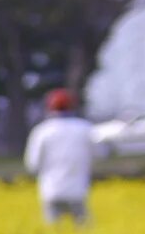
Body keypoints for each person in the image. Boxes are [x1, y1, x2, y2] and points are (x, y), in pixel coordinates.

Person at [26, 88, 96, 225]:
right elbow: (99, 154)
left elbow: (32, 163)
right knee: (84, 232)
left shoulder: (42, 131)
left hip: (51, 190)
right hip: (78, 190)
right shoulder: (85, 128)